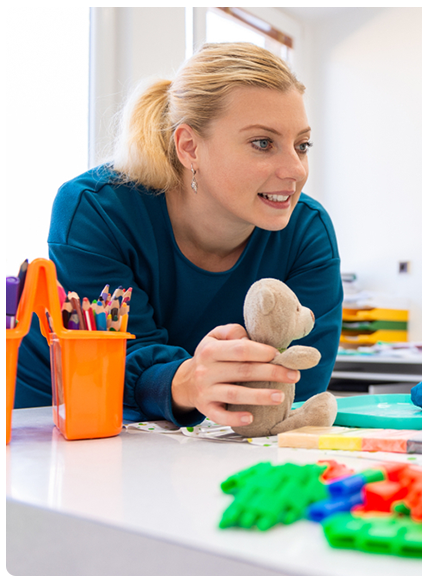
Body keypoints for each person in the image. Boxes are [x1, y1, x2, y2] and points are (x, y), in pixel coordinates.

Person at [15, 42, 343, 429]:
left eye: (301, 145)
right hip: (54, 417)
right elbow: (113, 361)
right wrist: (185, 381)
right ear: (189, 146)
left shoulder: (308, 232)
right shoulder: (97, 209)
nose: (295, 170)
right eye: (262, 143)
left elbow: (295, 384)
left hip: (194, 433)